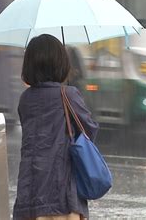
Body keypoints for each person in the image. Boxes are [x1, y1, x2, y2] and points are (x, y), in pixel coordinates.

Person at [13, 34, 99, 220]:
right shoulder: (68, 94)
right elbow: (89, 130)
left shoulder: (25, 99)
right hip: (62, 190)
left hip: (31, 189)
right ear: (60, 63)